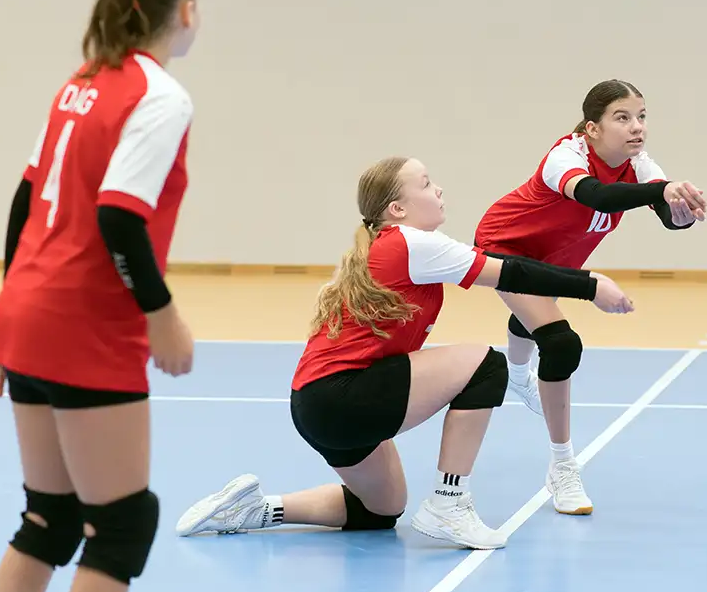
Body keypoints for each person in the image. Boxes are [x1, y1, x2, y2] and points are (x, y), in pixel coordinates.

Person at [173, 156, 634, 550]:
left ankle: (256, 509)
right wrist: (591, 285)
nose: (439, 190)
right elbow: (511, 272)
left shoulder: (391, 246)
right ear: (397, 208)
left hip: (315, 406)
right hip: (342, 395)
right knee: (487, 365)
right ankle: (450, 503)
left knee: (380, 510)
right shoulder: (413, 243)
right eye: (426, 184)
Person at [0, 0, 201, 592]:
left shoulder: (77, 85)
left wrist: (7, 315)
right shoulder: (160, 96)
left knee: (49, 519)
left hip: (29, 312)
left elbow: (24, 200)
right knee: (121, 526)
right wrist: (163, 317)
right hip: (86, 324)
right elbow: (119, 218)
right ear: (185, 10)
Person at [472, 79, 707, 515]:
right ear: (592, 128)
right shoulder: (566, 156)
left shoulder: (640, 165)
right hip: (503, 246)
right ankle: (563, 466)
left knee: (534, 312)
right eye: (622, 117)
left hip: (556, 256)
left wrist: (681, 212)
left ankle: (517, 373)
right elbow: (597, 196)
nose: (637, 127)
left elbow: (668, 216)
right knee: (560, 342)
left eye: (641, 116)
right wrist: (663, 190)